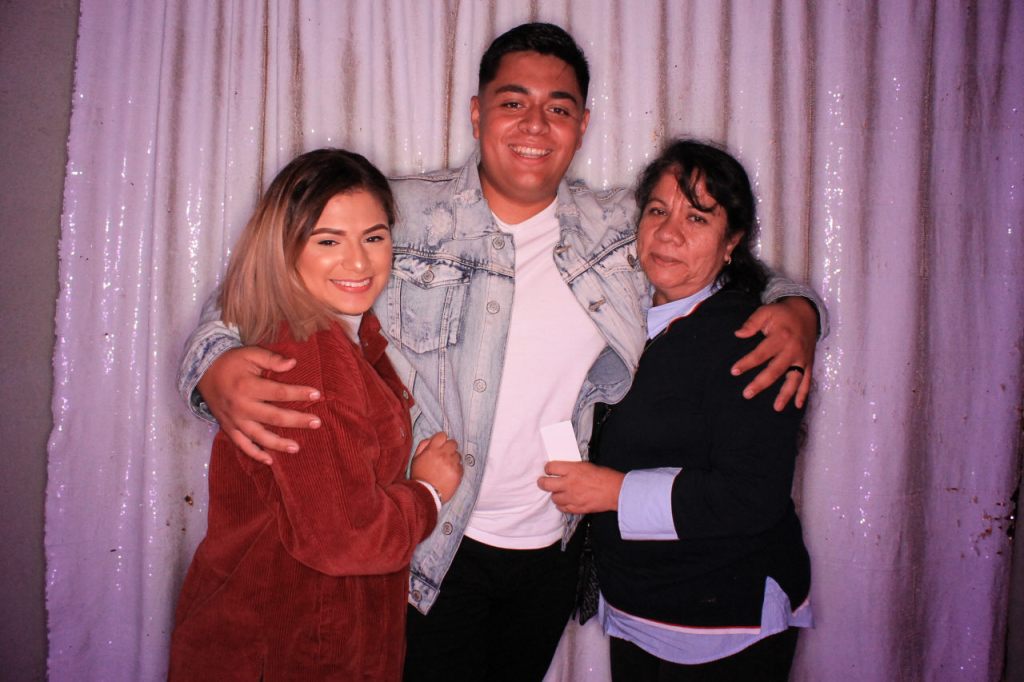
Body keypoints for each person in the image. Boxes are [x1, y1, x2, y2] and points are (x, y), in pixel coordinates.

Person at [177, 24, 826, 681]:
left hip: (551, 551)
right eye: (514, 102)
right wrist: (214, 366)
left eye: (558, 109)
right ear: (477, 113)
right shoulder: (402, 214)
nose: (535, 125)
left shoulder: (616, 229)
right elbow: (263, 286)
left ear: (582, 125)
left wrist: (798, 308)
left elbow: (709, 253)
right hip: (434, 548)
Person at [168, 149, 463, 681]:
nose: (358, 262)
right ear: (284, 248)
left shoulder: (343, 334)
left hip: (306, 634)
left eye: (373, 237)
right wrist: (429, 493)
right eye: (328, 241)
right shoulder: (309, 356)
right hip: (294, 649)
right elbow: (345, 539)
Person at [540, 139, 812, 681]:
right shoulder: (626, 311)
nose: (669, 233)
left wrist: (613, 492)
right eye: (658, 211)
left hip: (720, 621)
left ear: (732, 242)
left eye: (697, 217)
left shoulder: (753, 339)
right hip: (639, 606)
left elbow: (752, 496)